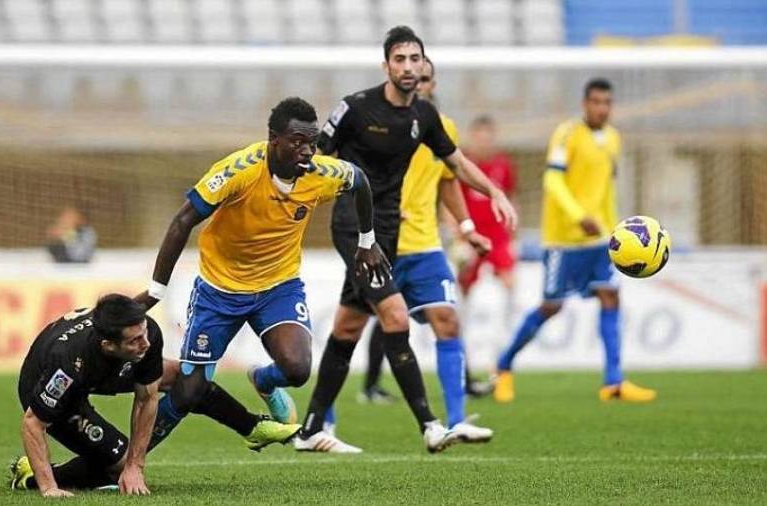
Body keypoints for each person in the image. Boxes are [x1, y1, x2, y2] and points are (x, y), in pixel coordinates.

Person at [295, 26, 517, 454]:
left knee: (347, 326)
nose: (409, 67)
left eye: (415, 59)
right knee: (395, 317)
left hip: (390, 230)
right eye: (400, 59)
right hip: (353, 228)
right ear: (386, 66)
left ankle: (310, 428)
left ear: (424, 66)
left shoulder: (425, 117)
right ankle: (431, 425)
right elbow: (316, 157)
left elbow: (457, 163)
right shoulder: (355, 108)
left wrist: (494, 192)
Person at [132, 97, 388, 452]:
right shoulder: (240, 170)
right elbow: (182, 221)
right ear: (273, 138)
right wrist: (157, 290)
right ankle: (127, 459)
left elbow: (360, 181)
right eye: (297, 141)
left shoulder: (321, 175)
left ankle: (264, 380)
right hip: (219, 289)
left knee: (297, 369)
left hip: (278, 287)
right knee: (190, 391)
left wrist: (367, 241)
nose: (307, 150)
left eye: (311, 142)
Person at [324, 57, 495, 436]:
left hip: (424, 243)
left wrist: (466, 227)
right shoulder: (379, 123)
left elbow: (448, 181)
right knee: (349, 327)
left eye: (427, 77)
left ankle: (456, 421)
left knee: (447, 321)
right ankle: (321, 418)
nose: (419, 80)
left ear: (430, 84)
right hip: (380, 242)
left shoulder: (439, 129)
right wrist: (377, 212)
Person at [9, 295, 299, 497]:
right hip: (52, 387)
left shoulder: (146, 335)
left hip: (103, 367)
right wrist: (49, 488)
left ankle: (251, 427)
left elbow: (146, 398)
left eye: (144, 333)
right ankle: (33, 476)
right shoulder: (68, 363)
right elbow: (33, 423)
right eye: (135, 340)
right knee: (117, 465)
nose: (145, 343)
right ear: (109, 345)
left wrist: (137, 466)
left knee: (186, 379)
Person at [493, 78, 656, 404]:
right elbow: (552, 180)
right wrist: (578, 214)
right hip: (563, 239)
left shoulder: (613, 138)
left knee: (610, 297)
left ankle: (613, 382)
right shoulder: (567, 134)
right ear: (585, 104)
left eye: (607, 103)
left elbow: (607, 187)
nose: (602, 108)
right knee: (552, 305)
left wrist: (615, 229)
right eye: (596, 102)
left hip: (601, 238)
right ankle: (503, 366)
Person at [458, 115, 517, 327]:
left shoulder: (503, 165)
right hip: (471, 235)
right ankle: (461, 338)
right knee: (464, 285)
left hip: (497, 236)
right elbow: (450, 202)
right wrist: (457, 236)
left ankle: (508, 337)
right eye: (479, 137)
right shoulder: (462, 166)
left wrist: (513, 233)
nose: (484, 141)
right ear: (472, 137)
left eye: (488, 137)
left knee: (510, 283)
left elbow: (511, 198)